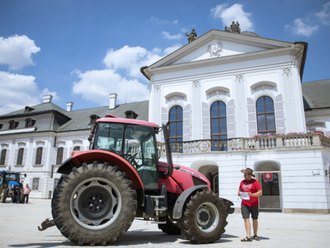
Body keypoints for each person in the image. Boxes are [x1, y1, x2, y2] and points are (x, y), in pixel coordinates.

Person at [238, 168, 262, 242]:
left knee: (254, 219)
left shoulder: (255, 182)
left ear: (250, 175)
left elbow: (260, 192)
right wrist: (239, 193)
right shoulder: (242, 182)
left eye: (245, 174)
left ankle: (255, 235)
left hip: (254, 204)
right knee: (246, 219)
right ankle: (248, 236)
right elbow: (239, 190)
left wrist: (252, 195)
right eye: (244, 174)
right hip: (244, 204)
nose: (244, 175)